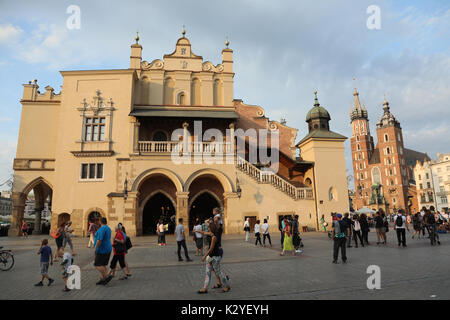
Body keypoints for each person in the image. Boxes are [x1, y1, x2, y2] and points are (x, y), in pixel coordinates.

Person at [198, 219, 231, 294]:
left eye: (209, 228)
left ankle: (226, 286)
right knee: (207, 272)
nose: (208, 229)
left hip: (215, 257)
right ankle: (205, 288)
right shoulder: (211, 234)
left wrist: (204, 256)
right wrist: (200, 232)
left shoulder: (214, 237)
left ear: (211, 228)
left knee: (219, 272)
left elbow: (210, 249)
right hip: (210, 257)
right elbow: (205, 233)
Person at [94, 217, 113, 285]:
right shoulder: (108, 228)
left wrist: (95, 248)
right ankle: (102, 279)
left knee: (97, 265)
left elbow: (99, 240)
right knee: (103, 264)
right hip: (108, 248)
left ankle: (106, 276)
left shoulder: (102, 229)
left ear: (100, 222)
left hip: (102, 249)